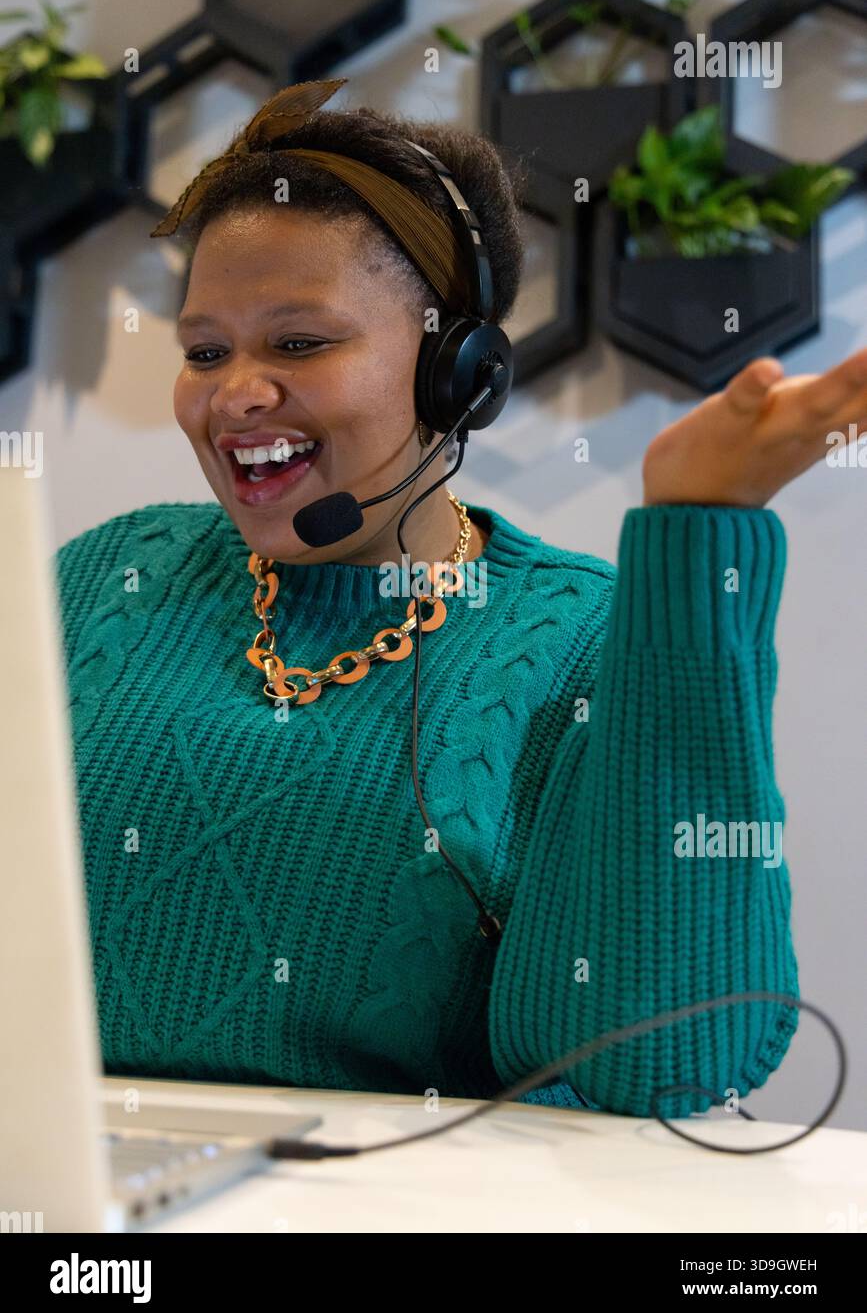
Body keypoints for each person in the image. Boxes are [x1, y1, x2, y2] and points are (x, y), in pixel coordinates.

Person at [54, 77, 864, 1118]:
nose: (235, 394)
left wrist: (698, 534)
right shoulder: (108, 576)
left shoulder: (584, 640)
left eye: (299, 343)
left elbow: (668, 1058)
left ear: (459, 370)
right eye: (205, 351)